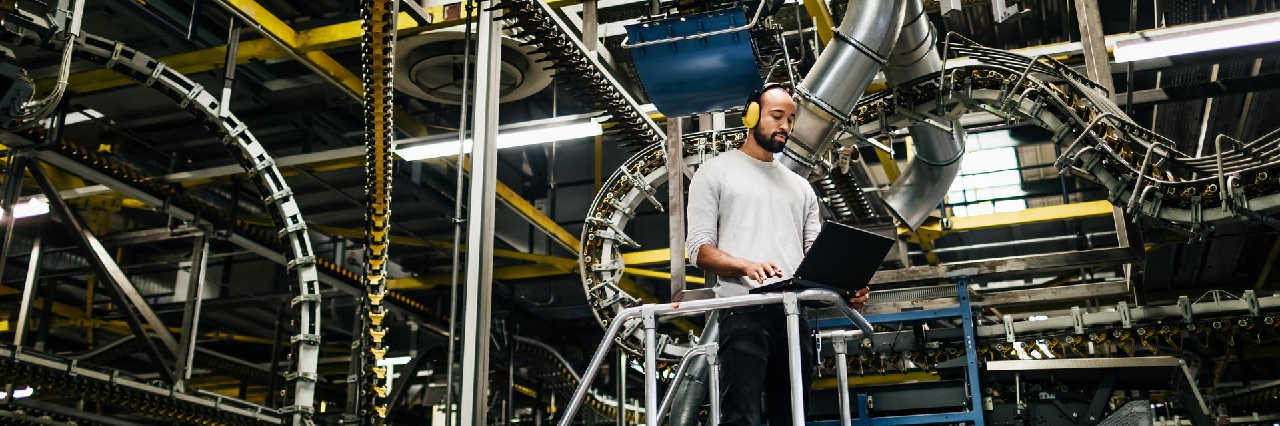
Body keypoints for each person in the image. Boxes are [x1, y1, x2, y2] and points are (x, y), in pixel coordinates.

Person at [685, 83, 871, 425]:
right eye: (776, 116)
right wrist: (746, 265)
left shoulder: (800, 187)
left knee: (793, 418)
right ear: (752, 116)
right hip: (743, 311)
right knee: (742, 417)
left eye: (790, 118)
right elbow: (699, 249)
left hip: (792, 316)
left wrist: (846, 290)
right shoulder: (715, 172)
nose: (785, 125)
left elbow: (816, 261)